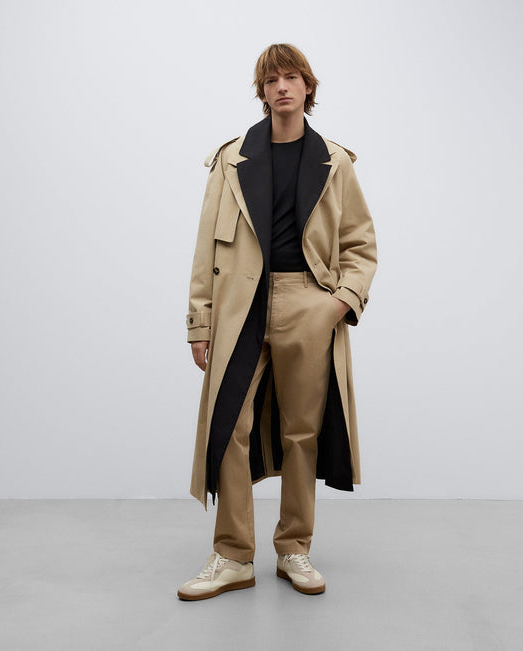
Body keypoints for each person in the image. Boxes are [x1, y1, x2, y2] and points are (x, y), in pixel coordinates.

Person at [177, 43, 377, 601]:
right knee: (229, 426)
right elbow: (204, 249)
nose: (282, 87)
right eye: (271, 80)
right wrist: (200, 322)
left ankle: (294, 548)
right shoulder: (231, 159)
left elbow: (361, 245)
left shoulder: (334, 161)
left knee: (302, 431)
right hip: (239, 303)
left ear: (308, 88)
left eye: (292, 78)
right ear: (262, 91)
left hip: (306, 301)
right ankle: (233, 555)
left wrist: (337, 304)